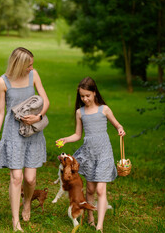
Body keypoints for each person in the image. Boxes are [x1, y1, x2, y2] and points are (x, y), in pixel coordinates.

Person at [0, 47, 49, 232]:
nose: (31, 67)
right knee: (17, 177)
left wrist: (39, 116)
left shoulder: (33, 75)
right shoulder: (2, 82)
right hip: (13, 133)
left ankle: (27, 202)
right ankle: (15, 221)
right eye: (29, 65)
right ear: (19, 64)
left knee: (30, 178)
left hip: (32, 132)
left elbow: (46, 100)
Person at [56, 77, 125, 233]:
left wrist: (120, 129)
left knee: (101, 190)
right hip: (89, 154)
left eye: (87, 95)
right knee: (91, 190)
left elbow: (117, 124)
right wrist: (66, 139)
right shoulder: (80, 112)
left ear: (94, 93)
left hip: (104, 153)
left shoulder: (104, 109)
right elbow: (78, 135)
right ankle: (90, 218)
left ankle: (99, 226)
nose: (85, 99)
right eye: (82, 96)